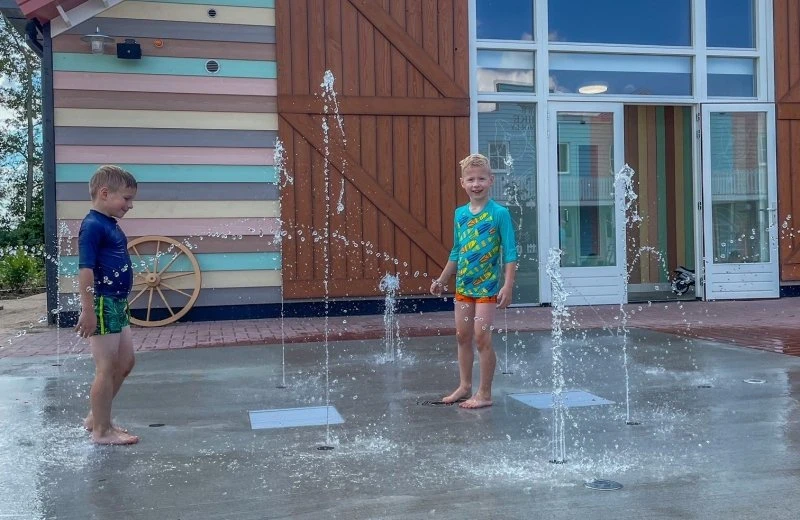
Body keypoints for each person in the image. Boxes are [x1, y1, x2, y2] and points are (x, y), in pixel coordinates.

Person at [430, 153, 517, 409]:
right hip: (463, 286)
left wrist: (507, 285)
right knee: (462, 335)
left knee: (481, 337)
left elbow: (510, 253)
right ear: (462, 183)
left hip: (487, 287)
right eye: (471, 179)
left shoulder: (499, 214)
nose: (476, 184)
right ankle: (465, 386)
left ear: (491, 180)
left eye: (481, 179)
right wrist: (442, 279)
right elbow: (457, 251)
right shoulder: (460, 215)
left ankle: (485, 393)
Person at [75, 165, 140, 445]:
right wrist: (88, 310)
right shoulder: (92, 225)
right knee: (106, 366)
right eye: (126, 198)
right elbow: (85, 270)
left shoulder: (108, 223)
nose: (130, 205)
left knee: (125, 362)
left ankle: (96, 418)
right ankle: (101, 431)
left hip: (116, 301)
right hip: (102, 302)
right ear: (104, 193)